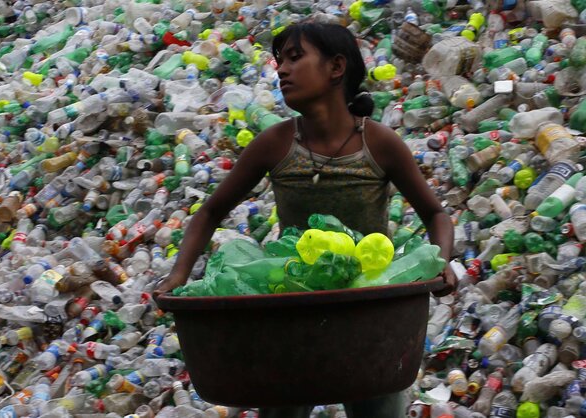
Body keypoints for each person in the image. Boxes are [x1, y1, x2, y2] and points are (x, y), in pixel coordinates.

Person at [154, 22, 457, 417]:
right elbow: (210, 211)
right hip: (293, 303)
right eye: (279, 61)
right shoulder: (277, 143)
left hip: (366, 306)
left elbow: (436, 214)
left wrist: (443, 261)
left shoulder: (378, 143)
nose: (281, 70)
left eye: (295, 58)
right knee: (282, 405)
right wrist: (178, 276)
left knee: (377, 403)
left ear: (336, 68)